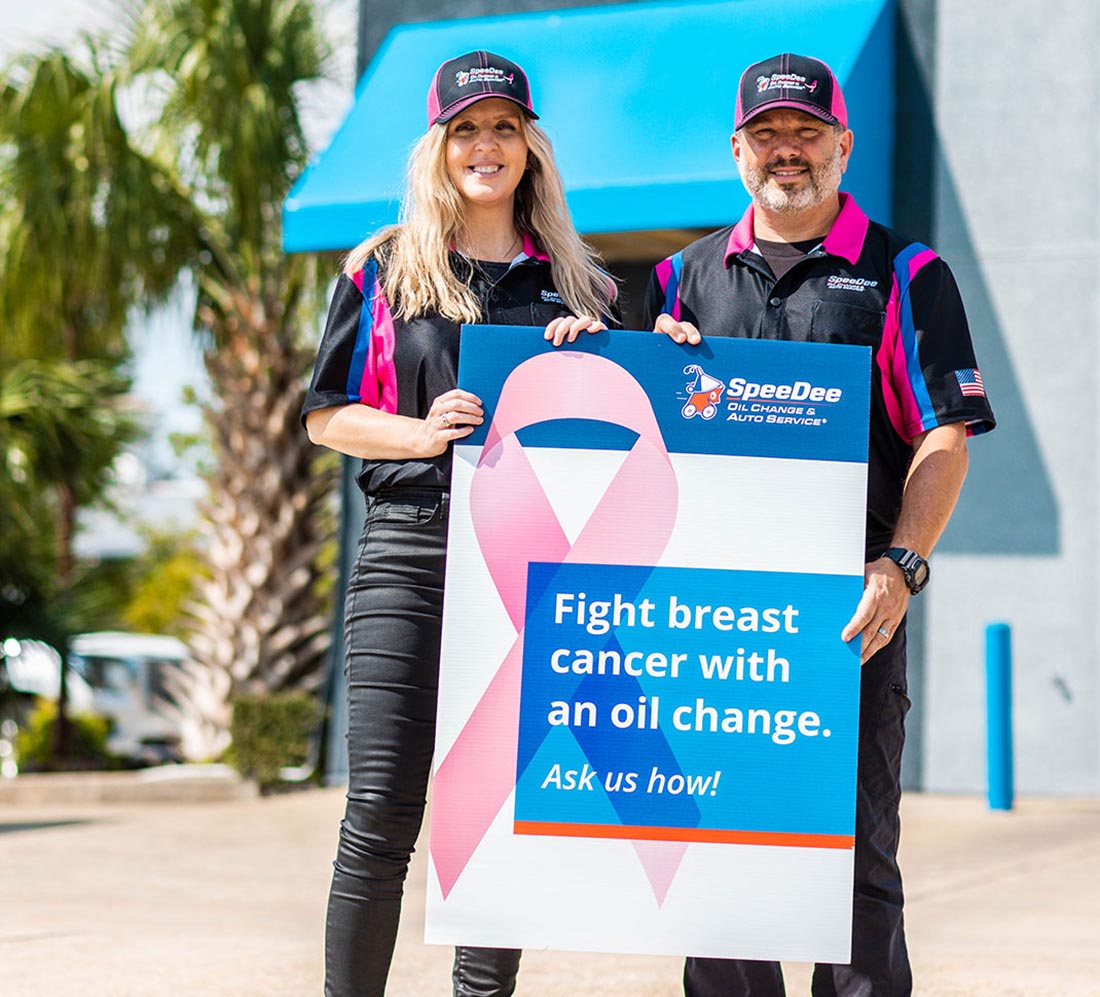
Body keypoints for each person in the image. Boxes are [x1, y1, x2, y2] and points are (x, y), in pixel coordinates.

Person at [645, 53, 996, 996]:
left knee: (853, 865)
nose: (786, 151)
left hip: (849, 619)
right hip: (708, 628)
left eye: (806, 133)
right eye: (767, 135)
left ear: (843, 143)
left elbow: (945, 438)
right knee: (717, 857)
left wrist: (902, 563)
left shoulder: (906, 273)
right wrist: (649, 366)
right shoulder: (679, 280)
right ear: (737, 150)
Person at [302, 51, 616, 997]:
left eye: (504, 129)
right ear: (439, 149)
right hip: (409, 550)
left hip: (530, 574)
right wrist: (420, 429)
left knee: (501, 814)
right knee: (382, 809)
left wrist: (613, 358)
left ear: (531, 148)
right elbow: (325, 416)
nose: (486, 146)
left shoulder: (582, 284)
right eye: (466, 129)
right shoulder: (385, 269)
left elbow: (624, 427)